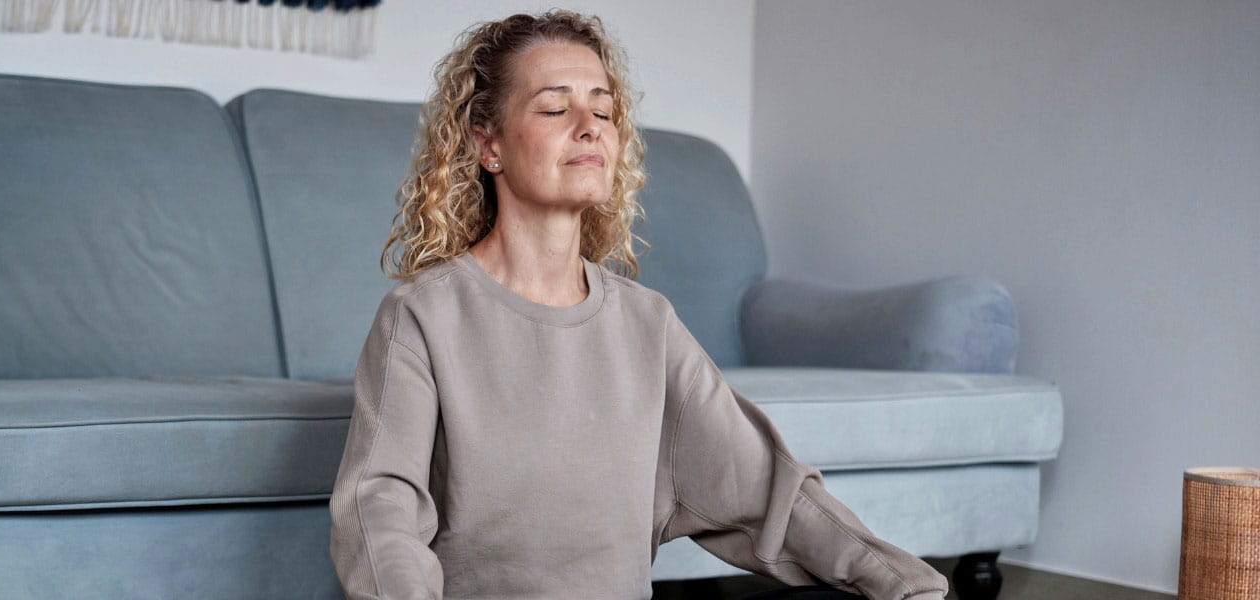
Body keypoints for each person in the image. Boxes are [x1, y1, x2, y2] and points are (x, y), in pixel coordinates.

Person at [328, 9, 950, 600]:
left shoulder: (647, 323)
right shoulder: (422, 317)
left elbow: (767, 490)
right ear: (487, 144)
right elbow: (380, 513)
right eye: (554, 107)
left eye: (604, 109)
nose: (589, 125)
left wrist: (906, 585)